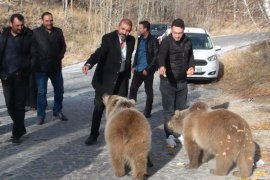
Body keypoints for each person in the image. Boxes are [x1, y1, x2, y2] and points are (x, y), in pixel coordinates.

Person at [82, 18, 135, 146]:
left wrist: (131, 67)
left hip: (121, 80)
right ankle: (93, 135)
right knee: (99, 107)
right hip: (105, 79)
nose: (124, 32)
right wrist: (89, 63)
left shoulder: (132, 40)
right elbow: (99, 53)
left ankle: (119, 135)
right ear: (119, 27)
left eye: (127, 31)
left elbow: (127, 58)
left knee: (121, 109)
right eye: (122, 29)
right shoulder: (108, 38)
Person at [158, 18, 195, 146]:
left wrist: (192, 66)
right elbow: (161, 55)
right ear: (171, 30)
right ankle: (169, 135)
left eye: (179, 33)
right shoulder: (166, 42)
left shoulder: (188, 41)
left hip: (182, 81)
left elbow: (191, 56)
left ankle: (178, 134)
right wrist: (162, 66)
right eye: (175, 33)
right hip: (168, 81)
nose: (177, 35)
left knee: (180, 110)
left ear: (183, 31)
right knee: (168, 111)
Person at [0, 14, 34, 143]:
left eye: (22, 25)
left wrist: (27, 68)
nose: (20, 27)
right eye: (17, 25)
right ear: (11, 24)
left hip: (21, 76)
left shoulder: (28, 36)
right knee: (9, 105)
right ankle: (21, 127)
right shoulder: (3, 36)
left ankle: (16, 135)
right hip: (6, 77)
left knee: (19, 106)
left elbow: (34, 55)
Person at [32, 12, 67, 125]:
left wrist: (59, 57)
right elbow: (32, 49)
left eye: (51, 20)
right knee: (41, 93)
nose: (49, 23)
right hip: (41, 68)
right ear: (42, 21)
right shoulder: (35, 32)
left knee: (60, 90)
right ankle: (41, 116)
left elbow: (63, 46)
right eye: (47, 21)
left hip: (56, 67)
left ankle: (57, 110)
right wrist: (37, 60)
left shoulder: (58, 31)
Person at [129, 20, 158, 118]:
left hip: (148, 71)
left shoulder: (153, 40)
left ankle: (147, 112)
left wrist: (148, 69)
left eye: (140, 28)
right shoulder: (140, 38)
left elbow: (156, 57)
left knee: (148, 91)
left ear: (146, 29)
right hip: (138, 69)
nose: (139, 29)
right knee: (133, 89)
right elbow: (137, 53)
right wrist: (134, 65)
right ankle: (131, 110)